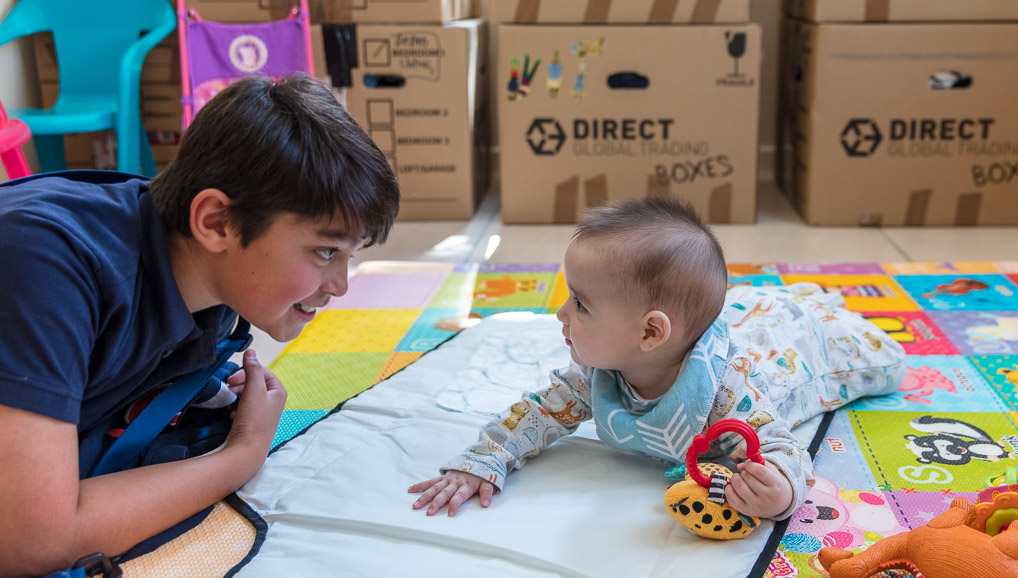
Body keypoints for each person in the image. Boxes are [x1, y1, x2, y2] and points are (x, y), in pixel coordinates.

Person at [0, 74, 400, 576]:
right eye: (325, 251)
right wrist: (241, 455)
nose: (340, 285)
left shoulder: (210, 280)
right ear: (216, 222)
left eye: (350, 255)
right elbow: (30, 539)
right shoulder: (44, 264)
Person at [410, 197, 905, 520]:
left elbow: (781, 448)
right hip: (718, 323)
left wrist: (780, 493)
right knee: (738, 308)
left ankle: (810, 309)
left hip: (791, 354)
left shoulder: (728, 392)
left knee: (867, 357)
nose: (561, 313)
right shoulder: (594, 374)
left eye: (580, 304)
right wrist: (485, 460)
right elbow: (537, 413)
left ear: (650, 332)